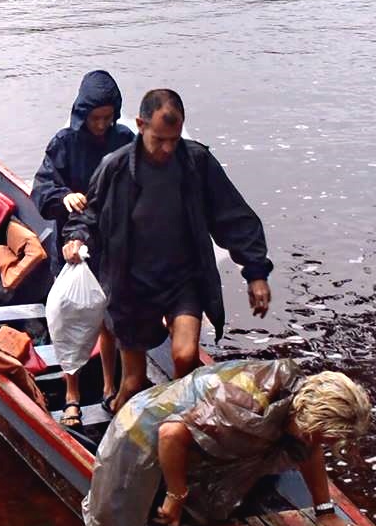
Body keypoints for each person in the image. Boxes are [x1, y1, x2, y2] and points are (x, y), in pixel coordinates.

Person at [84, 358, 371, 526]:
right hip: (140, 441)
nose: (317, 443)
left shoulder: (299, 403)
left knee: (209, 506)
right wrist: (176, 494)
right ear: (308, 416)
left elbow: (310, 450)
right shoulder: (244, 406)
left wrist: (325, 510)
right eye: (317, 436)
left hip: (187, 441)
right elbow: (170, 434)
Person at [63, 88, 273, 412]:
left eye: (174, 140)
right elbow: (88, 216)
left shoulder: (197, 162)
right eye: (159, 139)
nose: (167, 148)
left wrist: (256, 273)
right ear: (140, 124)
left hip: (183, 279)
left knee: (185, 356)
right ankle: (118, 420)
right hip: (131, 283)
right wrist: (75, 239)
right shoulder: (115, 167)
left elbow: (233, 217)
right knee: (133, 383)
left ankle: (178, 425)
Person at [32, 70, 134, 429]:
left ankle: (110, 386)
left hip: (113, 242)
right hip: (73, 243)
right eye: (96, 118)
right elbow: (42, 190)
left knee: (108, 318)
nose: (102, 125)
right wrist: (65, 196)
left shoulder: (124, 139)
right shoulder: (64, 143)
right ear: (82, 114)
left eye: (108, 118)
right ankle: (72, 393)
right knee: (74, 316)